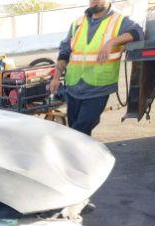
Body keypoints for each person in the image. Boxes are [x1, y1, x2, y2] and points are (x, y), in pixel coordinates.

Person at [49, 0, 144, 135]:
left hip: (98, 88)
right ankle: (82, 155)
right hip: (73, 87)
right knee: (78, 131)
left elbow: (138, 32)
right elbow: (65, 51)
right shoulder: (77, 23)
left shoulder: (118, 20)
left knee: (79, 130)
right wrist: (56, 77)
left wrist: (112, 42)